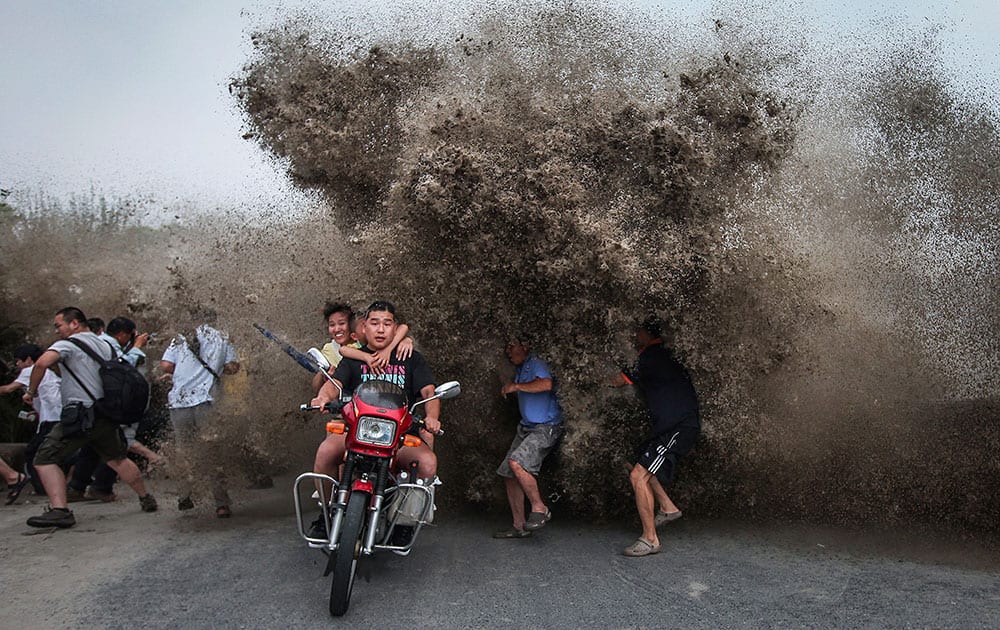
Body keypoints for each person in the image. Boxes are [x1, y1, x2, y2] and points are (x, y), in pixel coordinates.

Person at [309, 301, 440, 536]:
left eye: (387, 324)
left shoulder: (411, 358)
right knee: (326, 452)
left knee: (427, 463)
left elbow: (429, 392)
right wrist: (322, 398)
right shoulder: (354, 358)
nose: (381, 329)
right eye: (375, 323)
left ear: (395, 328)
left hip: (399, 438)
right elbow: (334, 385)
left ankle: (402, 522)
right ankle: (327, 512)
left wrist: (432, 417)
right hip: (356, 434)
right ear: (363, 328)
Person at [22, 307, 158, 528]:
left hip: (80, 415)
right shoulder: (105, 344)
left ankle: (60, 510)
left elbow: (41, 363)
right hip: (104, 413)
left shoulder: (67, 344)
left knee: (44, 459)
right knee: (117, 458)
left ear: (74, 323)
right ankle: (146, 497)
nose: (57, 330)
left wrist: (31, 391)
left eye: (59, 325)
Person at [610, 316, 700, 557]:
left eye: (637, 331)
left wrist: (588, 379)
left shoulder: (651, 356)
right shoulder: (665, 354)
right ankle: (668, 507)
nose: (634, 336)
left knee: (638, 476)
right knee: (635, 459)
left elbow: (619, 381)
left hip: (678, 428)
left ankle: (650, 539)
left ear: (645, 334)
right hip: (669, 426)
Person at [68, 316, 158, 502]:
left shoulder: (104, 343)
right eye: (131, 335)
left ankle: (77, 487)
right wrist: (137, 348)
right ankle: (102, 487)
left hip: (98, 404)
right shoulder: (107, 346)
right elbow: (120, 369)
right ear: (123, 334)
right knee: (117, 447)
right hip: (107, 403)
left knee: (92, 447)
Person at [160, 317, 240, 517]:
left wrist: (184, 373)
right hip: (207, 402)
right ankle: (221, 503)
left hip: (180, 403)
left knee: (185, 451)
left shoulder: (180, 338)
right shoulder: (222, 337)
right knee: (213, 451)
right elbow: (232, 367)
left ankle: (185, 495)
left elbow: (166, 365)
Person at [493, 335, 564, 539]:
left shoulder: (536, 362)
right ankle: (519, 526)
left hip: (545, 427)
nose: (508, 351)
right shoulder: (522, 367)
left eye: (511, 345)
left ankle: (539, 508)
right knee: (508, 473)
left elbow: (546, 384)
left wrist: (516, 387)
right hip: (526, 427)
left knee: (517, 463)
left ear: (526, 346)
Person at [0, 344, 62, 501]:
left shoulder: (31, 370)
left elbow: (8, 389)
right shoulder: (49, 373)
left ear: (28, 360)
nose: (16, 365)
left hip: (51, 419)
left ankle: (41, 487)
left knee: (34, 452)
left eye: (18, 361)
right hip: (55, 416)